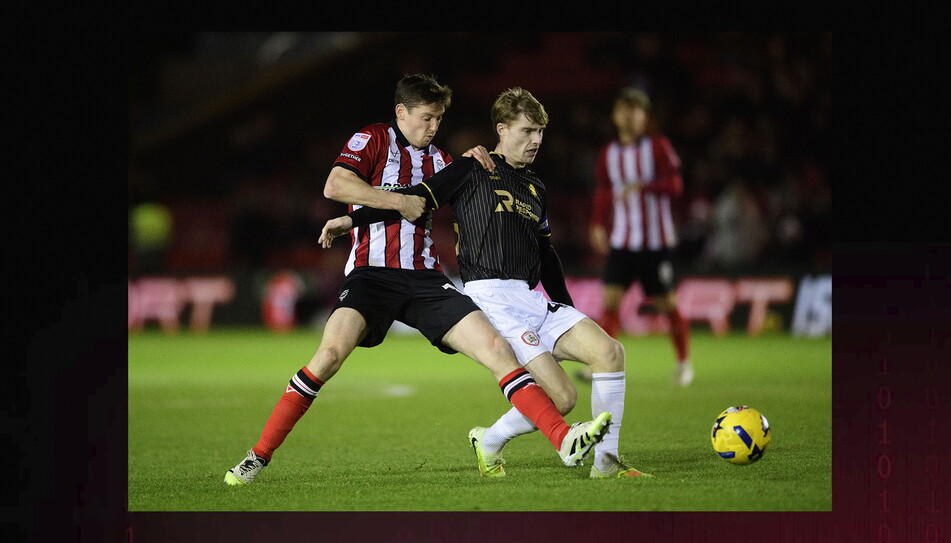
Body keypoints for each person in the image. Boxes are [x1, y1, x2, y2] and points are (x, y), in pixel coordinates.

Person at [224, 74, 611, 486]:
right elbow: (335, 184)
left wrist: (482, 161)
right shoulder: (372, 139)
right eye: (426, 118)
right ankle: (258, 456)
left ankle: (563, 437)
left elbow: (456, 186)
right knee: (329, 356)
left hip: (426, 279)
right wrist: (390, 204)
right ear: (401, 113)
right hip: (371, 276)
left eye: (440, 119)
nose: (433, 127)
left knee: (497, 348)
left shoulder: (444, 160)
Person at [321, 87, 651, 479]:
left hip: (532, 298)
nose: (536, 141)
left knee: (611, 352)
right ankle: (494, 440)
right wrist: (351, 221)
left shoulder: (535, 188)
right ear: (502, 129)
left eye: (541, 132)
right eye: (528, 131)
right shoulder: (471, 167)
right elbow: (414, 200)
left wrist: (567, 309)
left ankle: (606, 463)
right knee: (562, 398)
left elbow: (546, 255)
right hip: (491, 298)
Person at [587, 87, 693, 387]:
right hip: (621, 241)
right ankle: (603, 364)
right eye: (625, 109)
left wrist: (644, 187)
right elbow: (603, 191)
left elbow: (676, 185)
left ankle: (683, 363)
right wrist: (596, 224)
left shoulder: (658, 147)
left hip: (655, 243)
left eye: (637, 110)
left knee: (666, 304)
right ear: (615, 115)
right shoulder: (609, 153)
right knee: (610, 301)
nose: (631, 116)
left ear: (645, 117)